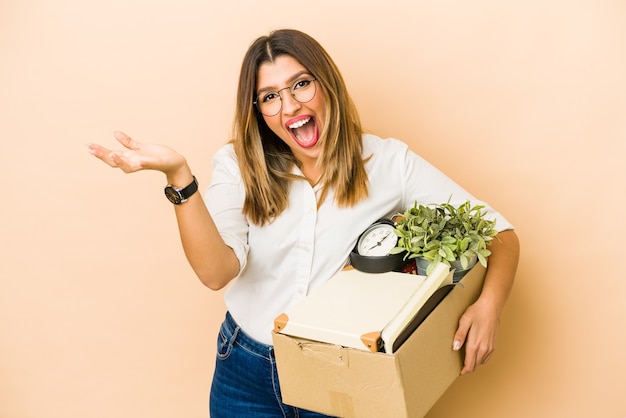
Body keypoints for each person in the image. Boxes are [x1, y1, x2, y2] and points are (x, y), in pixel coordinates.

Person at [88, 28, 520, 418]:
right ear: (258, 110)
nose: (290, 104)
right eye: (270, 96)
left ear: (325, 83)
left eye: (301, 84)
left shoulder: (388, 162)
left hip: (342, 370)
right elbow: (215, 272)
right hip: (245, 373)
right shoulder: (237, 165)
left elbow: (499, 233)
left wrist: (488, 307)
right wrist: (179, 176)